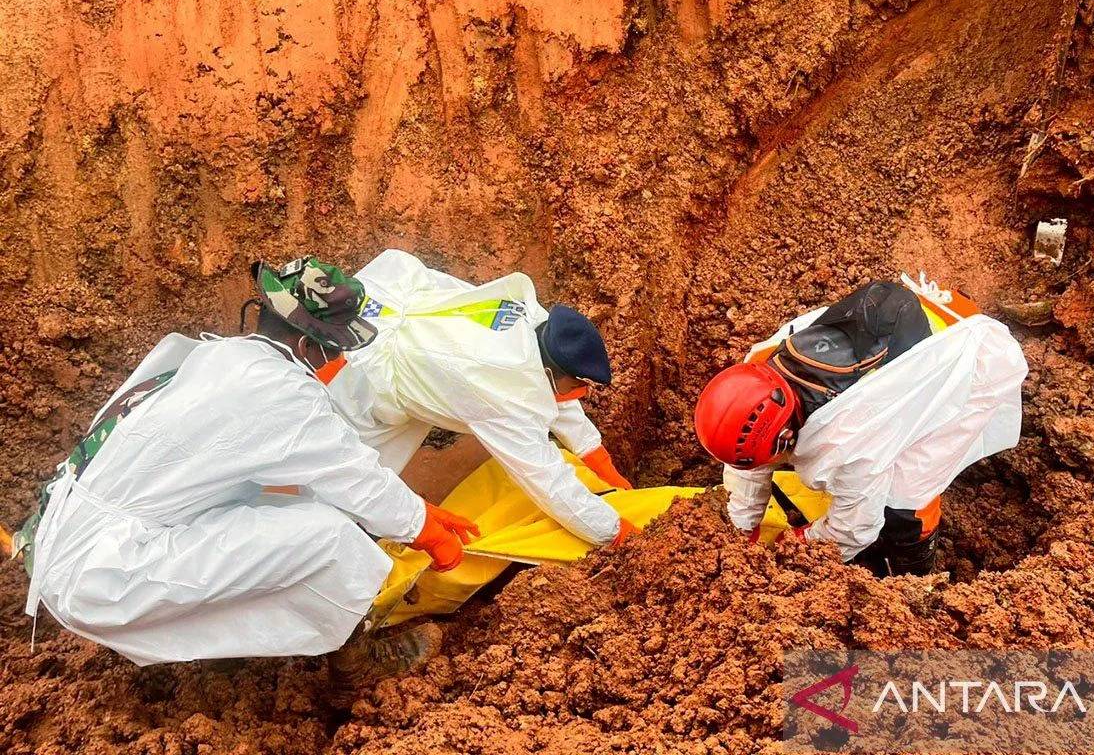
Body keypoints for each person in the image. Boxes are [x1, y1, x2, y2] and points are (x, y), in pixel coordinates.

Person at [16, 256, 476, 666]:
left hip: (66, 542)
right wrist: (425, 529)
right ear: (311, 346)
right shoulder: (280, 391)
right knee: (330, 535)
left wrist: (411, 512)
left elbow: (296, 479)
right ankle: (353, 666)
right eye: (335, 350)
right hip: (106, 574)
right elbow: (351, 477)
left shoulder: (220, 357)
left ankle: (229, 653)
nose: (337, 361)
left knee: (288, 504)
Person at [693, 276, 1028, 576]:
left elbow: (853, 530)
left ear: (785, 436)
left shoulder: (845, 442)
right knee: (863, 478)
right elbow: (748, 458)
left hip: (971, 364)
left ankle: (913, 573)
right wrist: (739, 530)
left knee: (904, 495)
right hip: (932, 317)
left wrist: (792, 550)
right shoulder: (759, 367)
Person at [326, 249, 638, 547]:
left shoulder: (532, 324)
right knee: (348, 477)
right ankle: (343, 538)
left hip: (415, 344)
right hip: (369, 380)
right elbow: (549, 482)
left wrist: (593, 452)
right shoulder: (502, 395)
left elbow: (553, 391)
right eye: (577, 385)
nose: (578, 393)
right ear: (549, 371)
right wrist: (614, 531)